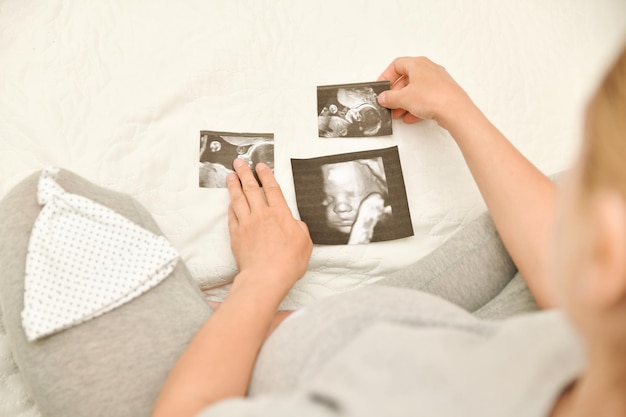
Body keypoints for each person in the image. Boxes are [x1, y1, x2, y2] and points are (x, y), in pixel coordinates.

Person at [0, 44, 624, 417]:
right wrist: (457, 107)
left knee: (43, 209)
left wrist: (262, 282)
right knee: (564, 195)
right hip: (443, 331)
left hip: (266, 376)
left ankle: (235, 330)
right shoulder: (588, 344)